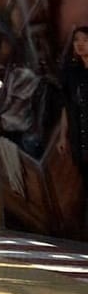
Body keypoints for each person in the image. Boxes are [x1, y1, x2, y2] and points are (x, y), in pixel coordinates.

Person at [63, 27, 88, 218]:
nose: (80, 44)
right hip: (79, 136)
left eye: (85, 40)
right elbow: (68, 105)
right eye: (76, 40)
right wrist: (63, 136)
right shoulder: (72, 72)